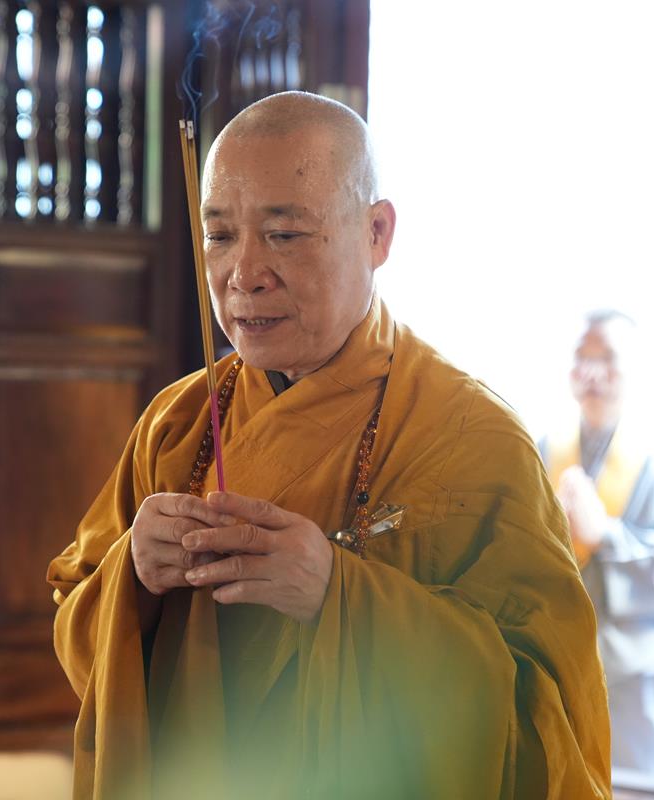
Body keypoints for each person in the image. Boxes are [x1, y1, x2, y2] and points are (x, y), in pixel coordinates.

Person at [46, 91, 611, 799]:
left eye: (284, 234)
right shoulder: (176, 423)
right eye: (219, 235)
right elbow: (76, 626)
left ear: (377, 233)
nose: (243, 273)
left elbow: (547, 717)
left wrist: (339, 595)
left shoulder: (475, 440)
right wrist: (133, 576)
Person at [539, 310, 654, 779]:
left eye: (607, 359)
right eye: (582, 357)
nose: (592, 372)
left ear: (635, 368)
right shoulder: (543, 451)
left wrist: (607, 536)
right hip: (553, 675)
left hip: (635, 688)